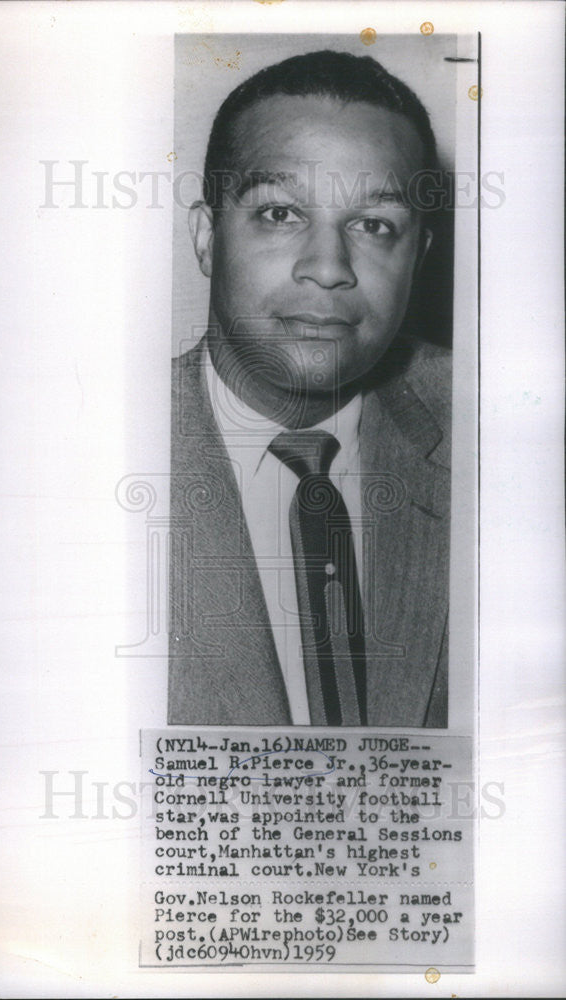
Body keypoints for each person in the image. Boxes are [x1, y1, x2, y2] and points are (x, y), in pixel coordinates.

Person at [168, 50, 451, 727]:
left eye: (374, 225)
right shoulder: (78, 451)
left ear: (418, 258)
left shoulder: (499, 431)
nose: (328, 269)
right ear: (208, 237)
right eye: (280, 214)